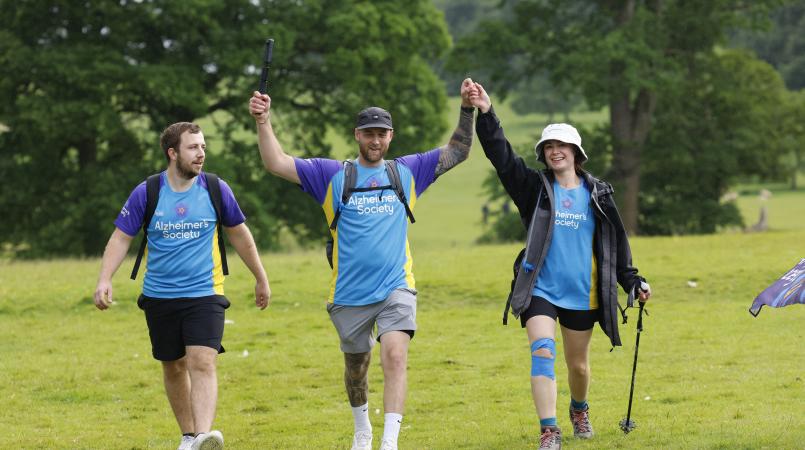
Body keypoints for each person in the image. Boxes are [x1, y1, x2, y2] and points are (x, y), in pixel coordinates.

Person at [248, 79, 476, 450]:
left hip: (396, 287)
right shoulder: (331, 175)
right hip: (349, 295)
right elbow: (276, 162)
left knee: (395, 353)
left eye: (382, 134)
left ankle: (389, 442)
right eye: (369, 134)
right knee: (356, 368)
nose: (375, 141)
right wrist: (263, 121)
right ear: (357, 135)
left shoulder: (408, 172)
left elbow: (459, 150)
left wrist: (467, 109)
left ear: (391, 136)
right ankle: (362, 430)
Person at [468, 83, 651, 450]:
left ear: (576, 153)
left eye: (561, 146)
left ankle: (579, 408)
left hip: (583, 293)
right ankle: (549, 431)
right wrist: (486, 113)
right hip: (540, 288)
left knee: (578, 367)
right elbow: (502, 157)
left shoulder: (598, 194)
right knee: (542, 352)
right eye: (549, 147)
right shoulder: (533, 189)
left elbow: (617, 245)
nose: (554, 152)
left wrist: (633, 281)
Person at [93, 122, 271, 450]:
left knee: (202, 359)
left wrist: (260, 277)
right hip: (160, 296)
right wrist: (105, 279)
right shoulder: (147, 192)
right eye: (193, 148)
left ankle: (203, 436)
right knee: (173, 365)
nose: (201, 153)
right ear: (172, 153)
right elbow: (121, 238)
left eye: (203, 146)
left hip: (206, 293)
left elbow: (240, 235)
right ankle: (189, 436)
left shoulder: (216, 189)